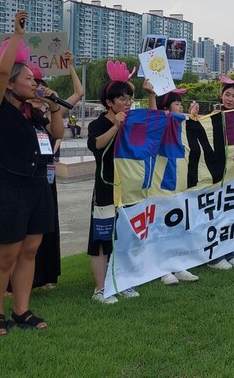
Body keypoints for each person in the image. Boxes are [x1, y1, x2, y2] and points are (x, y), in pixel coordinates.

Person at [0, 10, 63, 335]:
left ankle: (22, 309)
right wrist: (16, 36)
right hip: (8, 188)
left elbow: (58, 135)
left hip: (37, 188)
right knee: (7, 256)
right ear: (11, 84)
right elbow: (0, 73)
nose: (35, 82)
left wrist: (54, 105)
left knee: (30, 250)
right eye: (28, 78)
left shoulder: (33, 115)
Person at [87, 61, 147, 304]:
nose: (127, 102)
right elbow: (96, 145)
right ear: (109, 103)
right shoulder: (99, 124)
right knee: (101, 238)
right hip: (105, 189)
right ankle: (100, 288)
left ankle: (122, 281)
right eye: (121, 98)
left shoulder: (133, 122)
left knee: (125, 235)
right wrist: (116, 126)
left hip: (129, 188)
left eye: (129, 97)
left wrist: (151, 94)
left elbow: (149, 135)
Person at [155, 89, 200, 285]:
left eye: (181, 103)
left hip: (179, 181)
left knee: (176, 225)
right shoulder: (160, 123)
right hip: (162, 182)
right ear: (165, 108)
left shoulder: (180, 123)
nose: (180, 106)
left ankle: (177, 264)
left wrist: (192, 117)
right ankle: (161, 268)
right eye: (176, 103)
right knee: (161, 226)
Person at [206, 76, 234, 270]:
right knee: (216, 214)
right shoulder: (212, 116)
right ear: (221, 96)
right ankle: (214, 257)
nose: (230, 99)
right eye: (227, 95)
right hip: (215, 173)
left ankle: (232, 253)